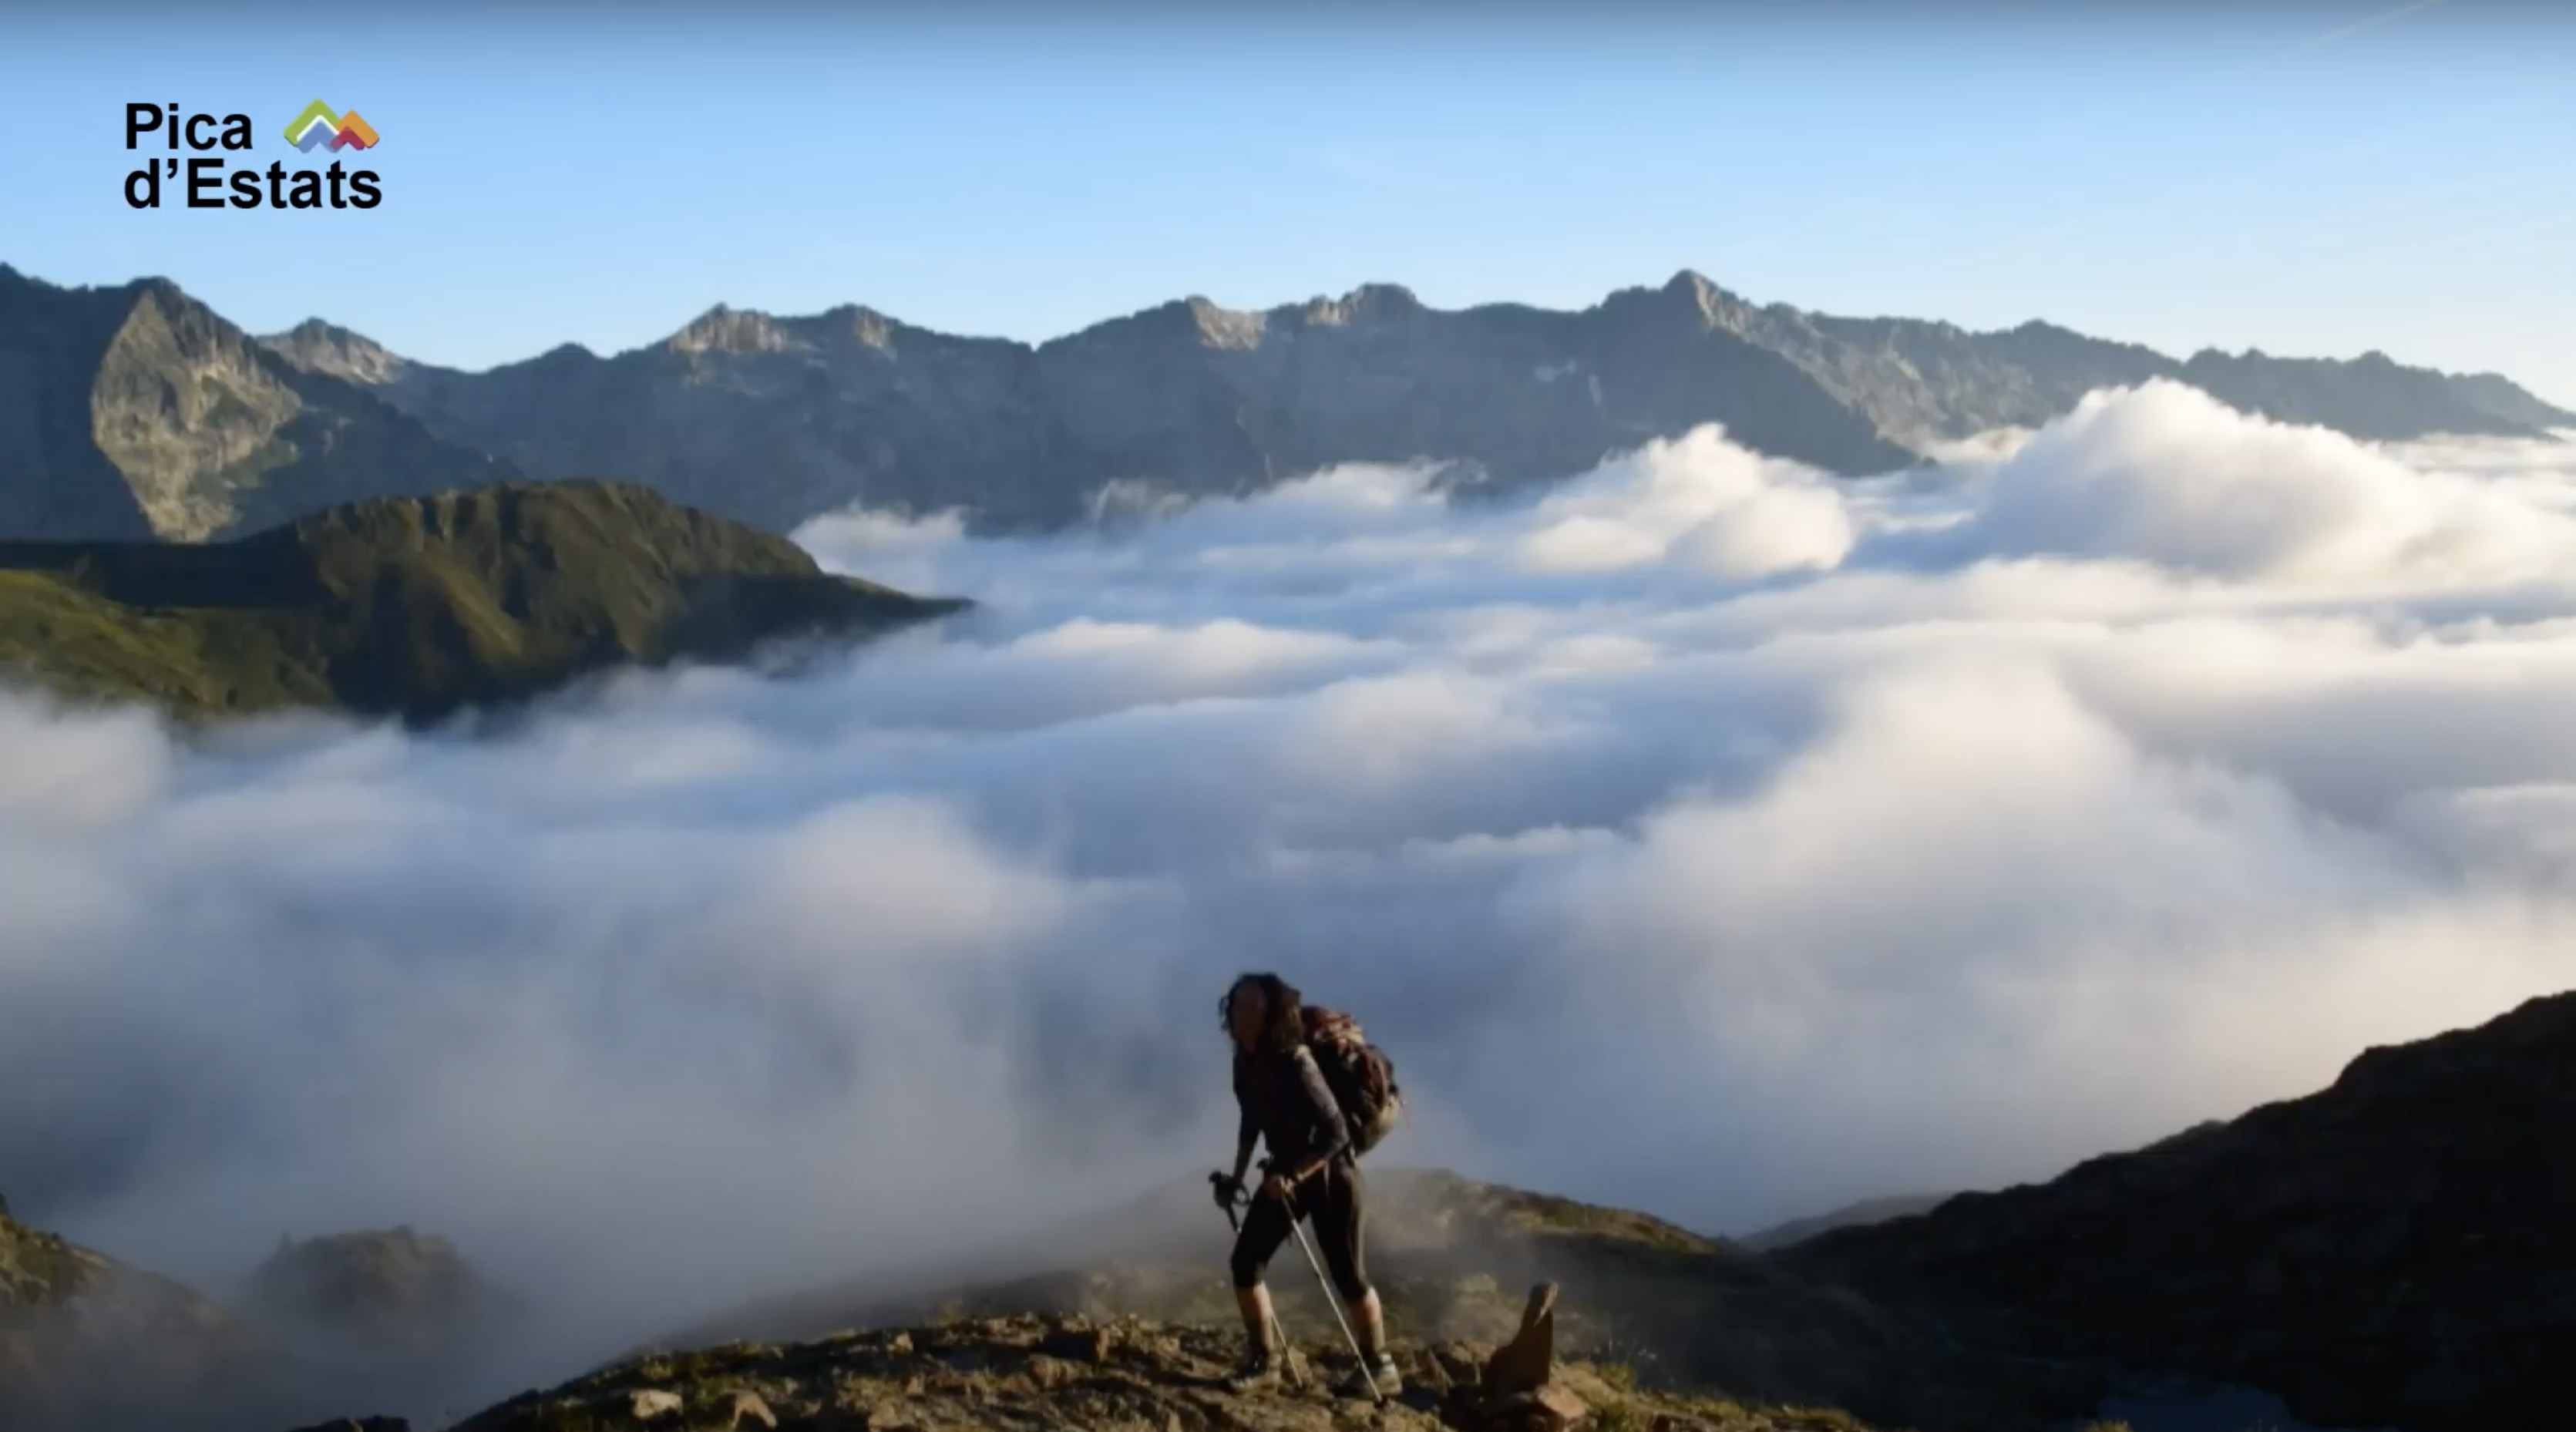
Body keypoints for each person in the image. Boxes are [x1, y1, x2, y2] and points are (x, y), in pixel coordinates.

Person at [1212, 971, 1403, 1397]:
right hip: (1284, 1174)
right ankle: (1265, 1363)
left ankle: (1381, 1367)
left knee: (1348, 1275)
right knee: (1246, 1262)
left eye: (1252, 1006)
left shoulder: (1297, 1062)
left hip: (1331, 1177)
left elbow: (1336, 1134)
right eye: (1237, 1004)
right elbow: (1251, 1121)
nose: (1241, 1013)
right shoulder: (1246, 1063)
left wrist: (1295, 1175)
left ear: (1271, 1013)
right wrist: (1237, 1178)